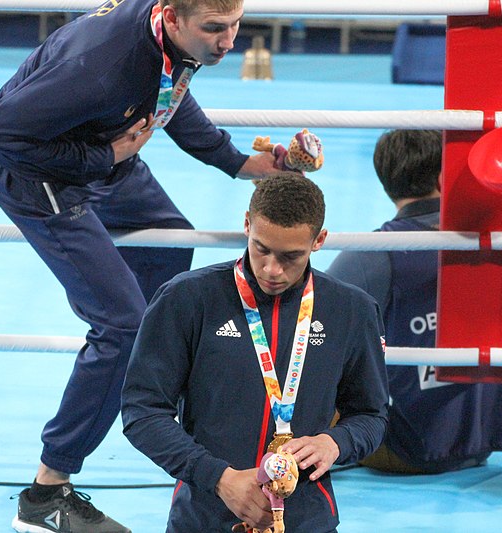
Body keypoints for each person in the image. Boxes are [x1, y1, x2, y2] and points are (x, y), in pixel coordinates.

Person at [0, 1, 281, 531]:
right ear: (172, 18)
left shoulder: (168, 34)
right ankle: (46, 495)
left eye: (235, 25)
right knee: (121, 324)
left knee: (169, 245)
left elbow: (167, 92)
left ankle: (144, 402)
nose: (229, 42)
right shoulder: (98, 65)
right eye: (214, 29)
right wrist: (104, 159)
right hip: (37, 172)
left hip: (105, 150)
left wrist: (240, 164)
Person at [121, 173, 389, 532]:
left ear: (319, 240)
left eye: (290, 256)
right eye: (261, 248)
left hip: (306, 517)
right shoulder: (186, 299)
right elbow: (142, 411)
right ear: (247, 224)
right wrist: (219, 478)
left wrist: (337, 441)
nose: (271, 269)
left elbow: (371, 414)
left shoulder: (351, 310)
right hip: (204, 514)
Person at [327, 129, 502, 474]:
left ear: (386, 182)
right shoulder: (499, 242)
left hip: (406, 448)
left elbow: (313, 325)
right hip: (487, 439)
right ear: (444, 178)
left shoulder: (372, 253)